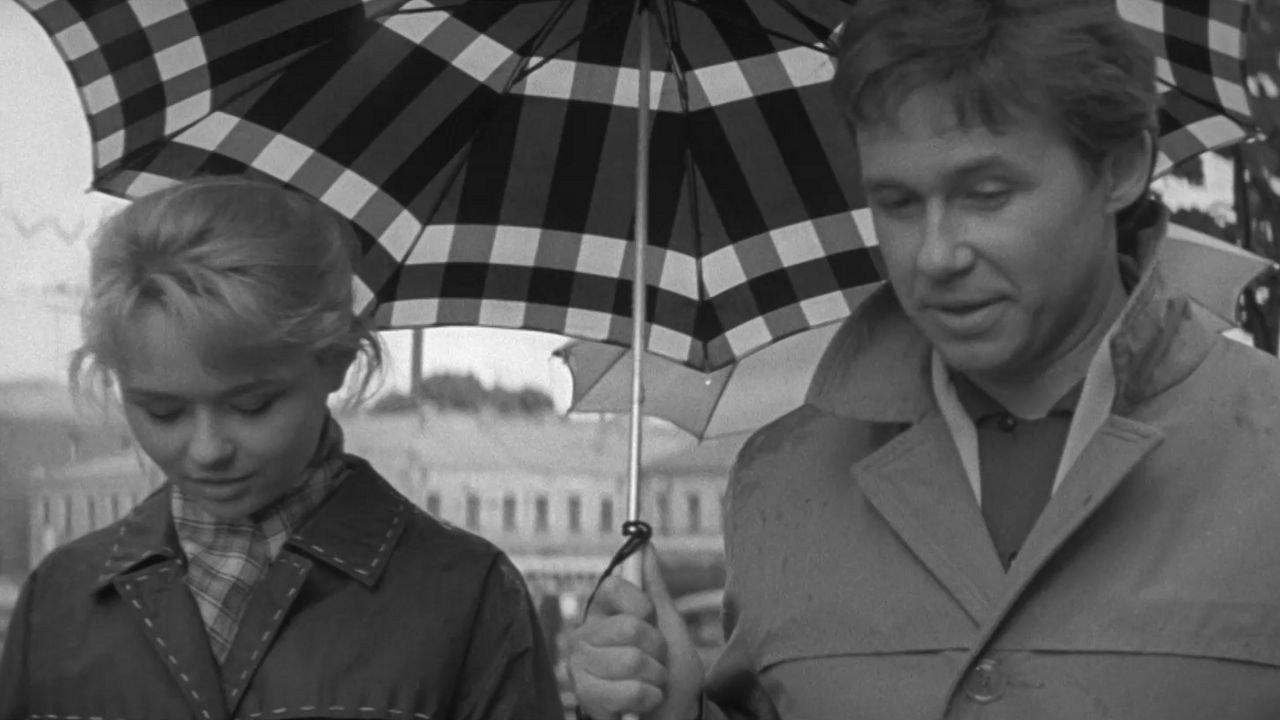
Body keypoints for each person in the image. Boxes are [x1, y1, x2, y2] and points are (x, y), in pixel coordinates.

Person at [568, 0, 1280, 718]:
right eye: (898, 203)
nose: (936, 255)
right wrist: (679, 712)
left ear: (1119, 167)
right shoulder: (777, 480)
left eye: (986, 194)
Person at [0, 177, 563, 719]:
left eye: (252, 405)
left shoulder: (468, 597)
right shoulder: (58, 599)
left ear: (338, 361)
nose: (207, 450)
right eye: (162, 412)